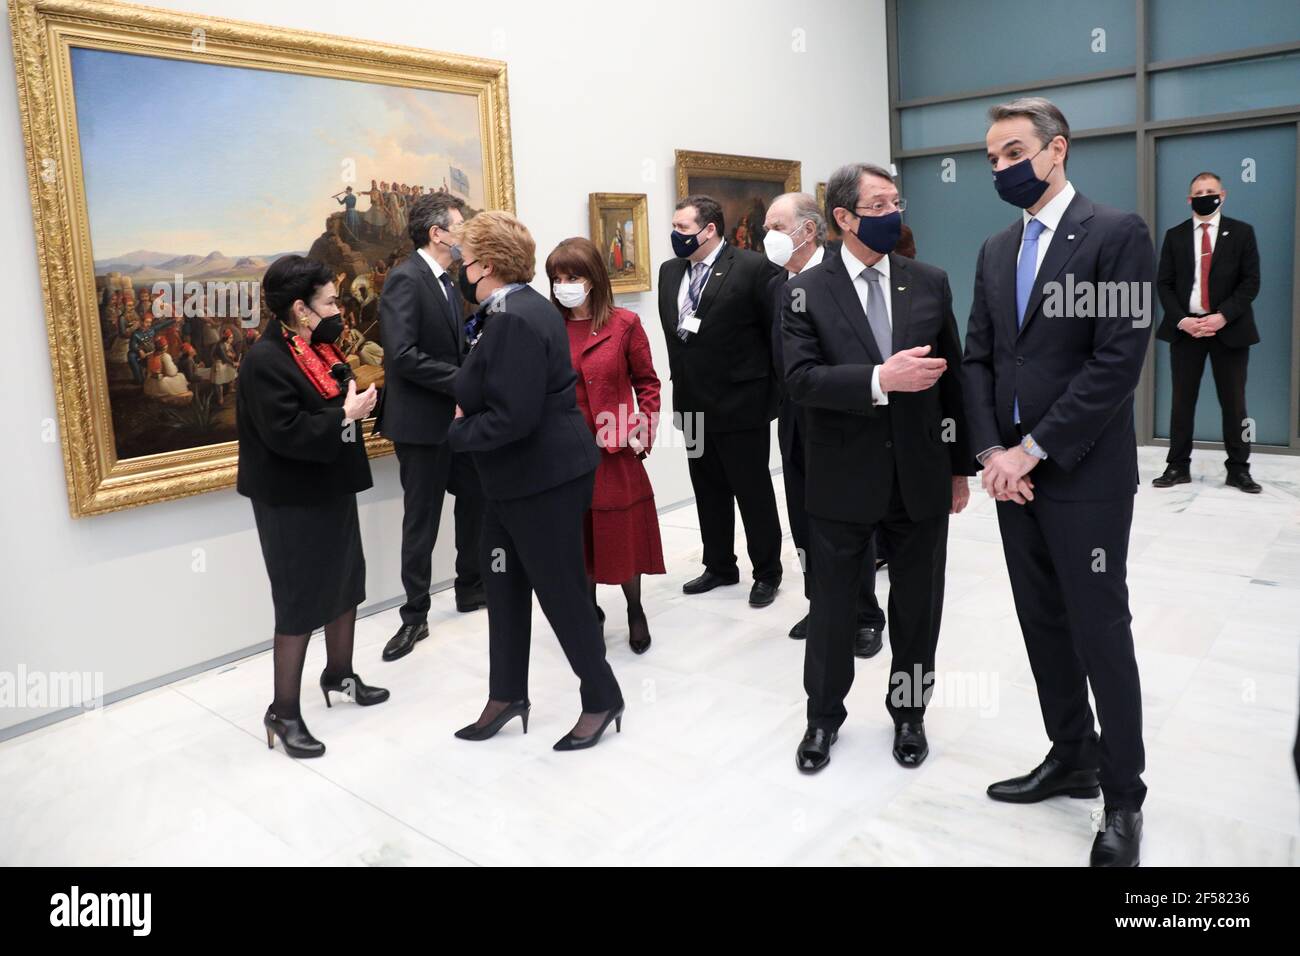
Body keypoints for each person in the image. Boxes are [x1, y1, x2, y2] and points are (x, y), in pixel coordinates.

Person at [963, 97, 1153, 867]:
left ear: (1057, 150)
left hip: (1082, 475)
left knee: (1098, 630)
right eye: (993, 159)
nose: (1002, 168)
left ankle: (1123, 797)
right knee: (1042, 623)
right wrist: (988, 453)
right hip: (1012, 480)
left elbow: (1118, 361)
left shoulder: (1116, 235)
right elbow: (979, 356)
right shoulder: (995, 248)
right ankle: (1070, 753)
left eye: (1014, 152)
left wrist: (1032, 449)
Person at [784, 163, 972, 776]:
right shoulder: (805, 291)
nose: (895, 212)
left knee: (918, 606)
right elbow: (799, 380)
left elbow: (955, 382)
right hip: (840, 479)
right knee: (834, 607)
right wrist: (877, 380)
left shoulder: (930, 281)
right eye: (881, 203)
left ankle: (910, 714)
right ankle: (822, 717)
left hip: (919, 474)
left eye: (898, 201)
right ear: (843, 218)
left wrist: (959, 467)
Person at [448, 211, 624, 751]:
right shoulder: (516, 309)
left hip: (542, 477)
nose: (463, 268)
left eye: (467, 260)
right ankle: (507, 695)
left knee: (560, 590)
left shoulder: (517, 318)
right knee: (501, 584)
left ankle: (601, 696)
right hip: (512, 480)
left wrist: (456, 431)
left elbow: (514, 417)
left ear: (488, 264)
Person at [235, 254, 387, 759]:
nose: (337, 307)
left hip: (329, 486)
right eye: (329, 300)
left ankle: (339, 674)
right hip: (289, 499)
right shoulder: (265, 360)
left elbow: (331, 410)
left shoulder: (317, 348)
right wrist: (344, 414)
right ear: (301, 308)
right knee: (299, 601)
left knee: (345, 581)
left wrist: (358, 407)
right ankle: (282, 711)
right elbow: (284, 434)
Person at [763, 191, 886, 655]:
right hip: (795, 416)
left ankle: (865, 615)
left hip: (841, 415)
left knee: (849, 519)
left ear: (808, 230)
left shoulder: (844, 279)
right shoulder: (779, 284)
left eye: (777, 226)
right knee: (804, 515)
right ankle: (823, 602)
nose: (767, 237)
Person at [374, 192, 486, 664]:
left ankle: (472, 587)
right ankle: (415, 614)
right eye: (460, 226)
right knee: (422, 520)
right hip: (421, 426)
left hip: (456, 419)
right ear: (438, 233)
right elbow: (401, 356)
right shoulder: (405, 279)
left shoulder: (447, 280)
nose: (466, 235)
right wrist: (463, 379)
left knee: (477, 497)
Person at [657, 195, 785, 608]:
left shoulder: (752, 268)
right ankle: (719, 564)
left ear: (709, 229)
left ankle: (767, 571)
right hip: (692, 404)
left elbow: (775, 334)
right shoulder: (670, 271)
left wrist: (774, 392)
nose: (675, 236)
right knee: (706, 488)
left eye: (682, 228)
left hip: (741, 402)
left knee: (752, 490)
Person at [546, 237, 665, 654]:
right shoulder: (548, 326)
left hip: (614, 449)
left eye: (573, 276)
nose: (564, 285)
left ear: (593, 278)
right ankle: (589, 615)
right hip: (563, 453)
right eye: (557, 278)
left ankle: (634, 609)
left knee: (621, 535)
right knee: (577, 540)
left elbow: (647, 383)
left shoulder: (625, 324)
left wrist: (643, 427)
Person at [1153, 171, 1262, 493]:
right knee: (1182, 402)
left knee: (1235, 404)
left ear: (1222, 195)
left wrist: (1222, 316)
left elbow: (1250, 282)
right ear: (1189, 199)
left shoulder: (1242, 233)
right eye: (1198, 192)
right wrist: (1181, 320)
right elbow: (1165, 283)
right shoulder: (1175, 236)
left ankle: (1239, 469)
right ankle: (1177, 466)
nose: (1204, 196)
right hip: (1187, 331)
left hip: (1229, 331)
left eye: (1210, 191)